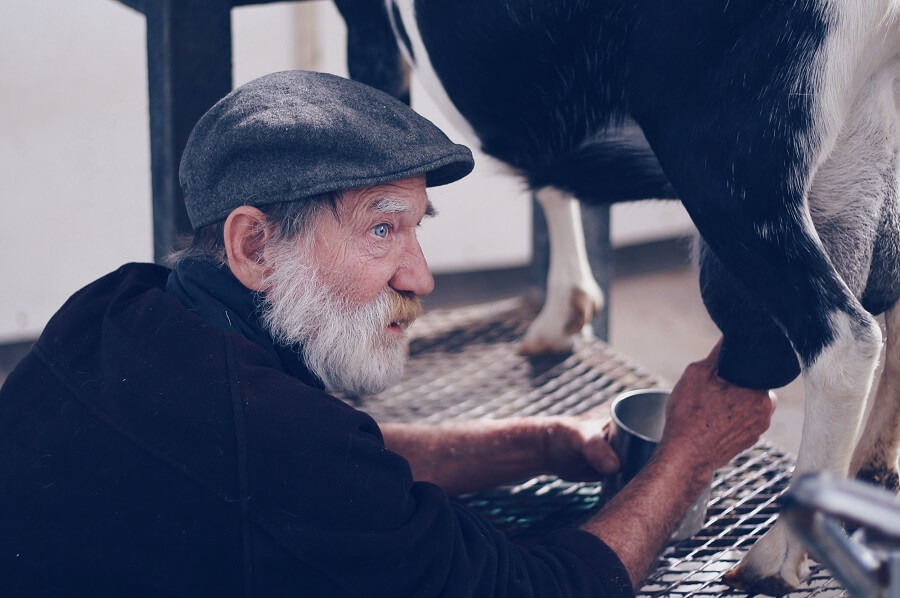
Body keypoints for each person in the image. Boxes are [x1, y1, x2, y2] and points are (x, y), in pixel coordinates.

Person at [0, 70, 775, 597]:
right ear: (253, 246)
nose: (421, 277)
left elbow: (338, 460)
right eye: (380, 229)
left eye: (415, 231)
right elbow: (545, 589)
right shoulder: (278, 444)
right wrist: (685, 457)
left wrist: (542, 443)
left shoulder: (118, 307)